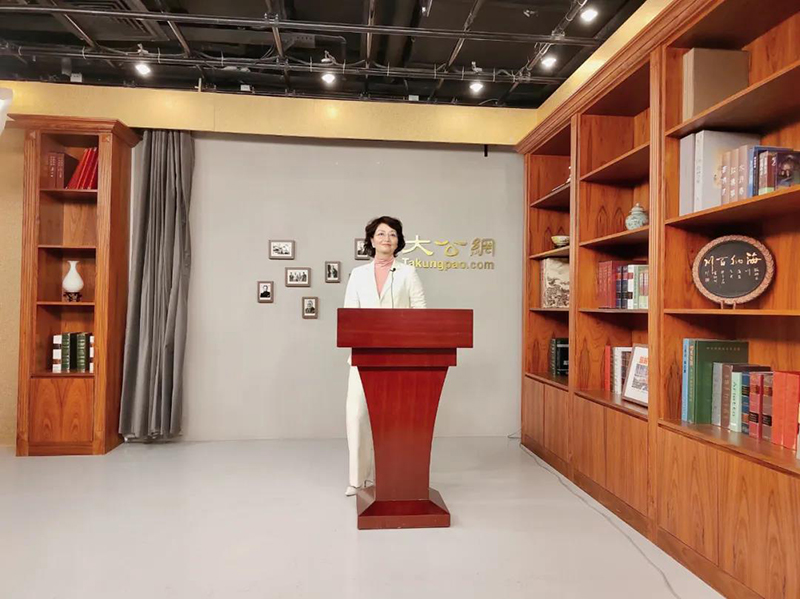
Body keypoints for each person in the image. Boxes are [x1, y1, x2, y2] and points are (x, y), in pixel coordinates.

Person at [342, 216, 426, 497]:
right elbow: (350, 315)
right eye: (381, 233)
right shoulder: (358, 274)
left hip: (399, 357)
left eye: (392, 234)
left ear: (398, 241)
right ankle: (357, 480)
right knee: (357, 414)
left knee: (393, 418)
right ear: (371, 240)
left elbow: (420, 314)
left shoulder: (408, 273)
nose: (386, 238)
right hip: (364, 355)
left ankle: (389, 476)